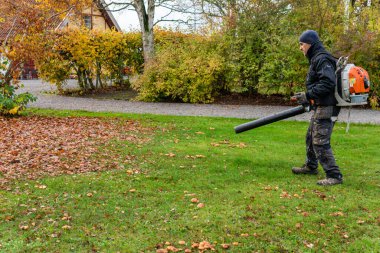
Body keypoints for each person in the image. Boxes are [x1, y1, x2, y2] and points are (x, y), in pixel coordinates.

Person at [291, 30, 343, 186]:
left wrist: (308, 95)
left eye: (302, 44)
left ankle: (334, 175)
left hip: (328, 106)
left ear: (310, 44)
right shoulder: (316, 58)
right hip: (322, 104)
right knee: (310, 136)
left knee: (320, 140)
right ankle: (311, 166)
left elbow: (328, 83)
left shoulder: (321, 58)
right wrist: (309, 97)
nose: (300, 48)